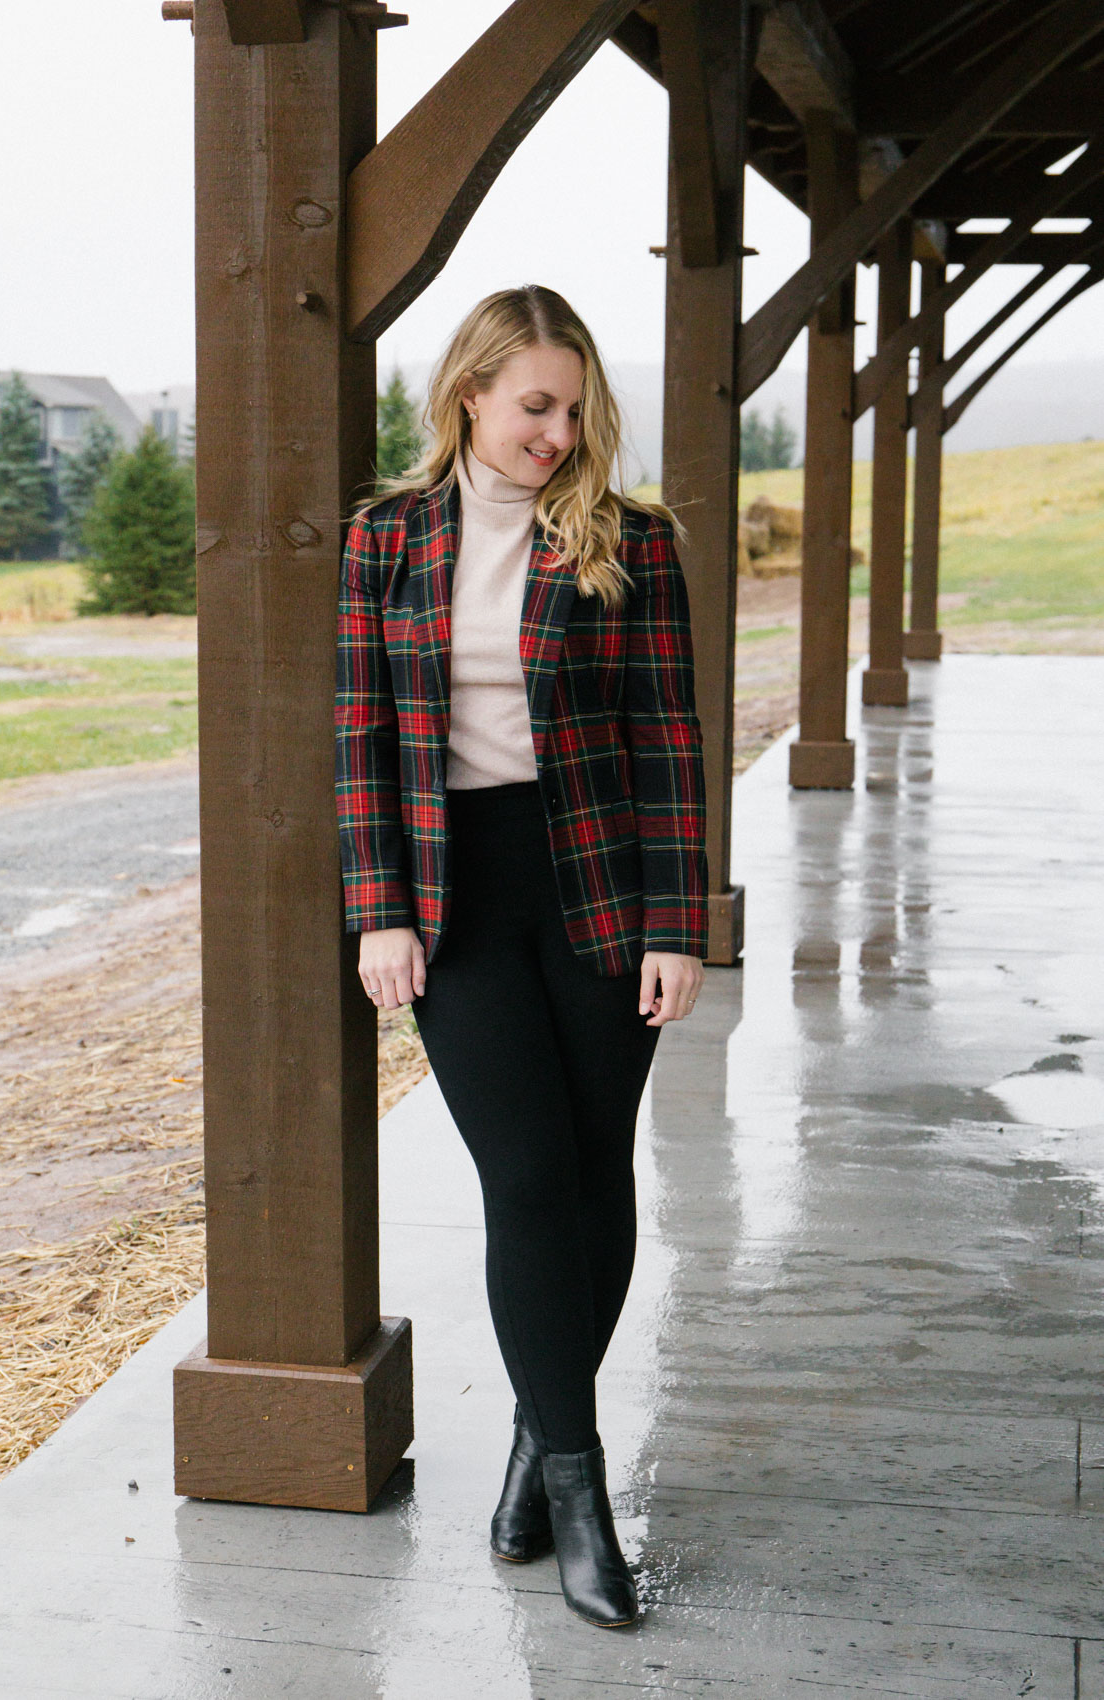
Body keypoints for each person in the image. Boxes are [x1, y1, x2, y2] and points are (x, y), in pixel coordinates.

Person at [335, 284, 708, 1628]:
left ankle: (533, 1446)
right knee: (529, 1171)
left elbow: (671, 742)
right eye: (533, 405)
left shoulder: (630, 542)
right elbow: (360, 735)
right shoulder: (387, 540)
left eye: (571, 408)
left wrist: (681, 925)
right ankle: (579, 1485)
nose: (555, 431)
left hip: (599, 886)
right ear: (471, 396)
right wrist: (377, 906)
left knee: (591, 1174)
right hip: (455, 897)